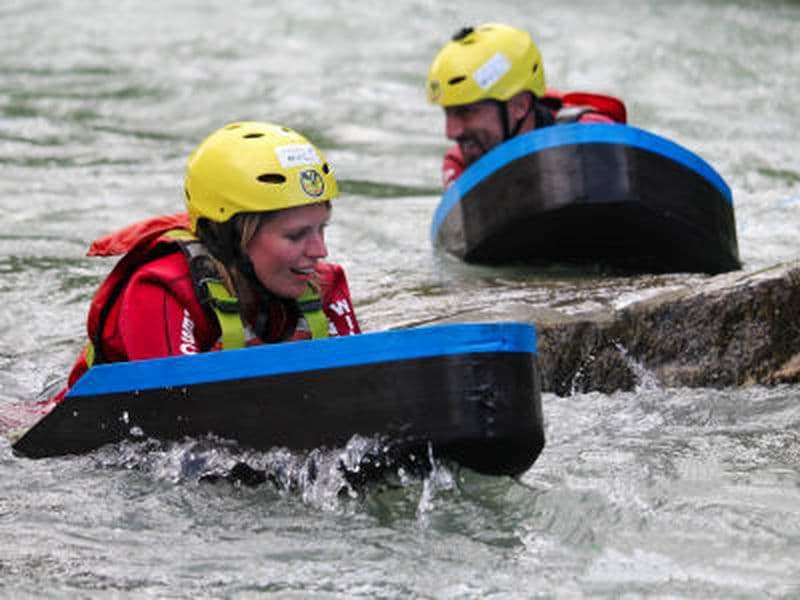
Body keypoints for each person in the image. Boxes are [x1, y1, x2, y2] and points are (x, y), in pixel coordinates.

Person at [44, 121, 361, 408]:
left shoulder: (324, 284)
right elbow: (175, 415)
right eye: (295, 236)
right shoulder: (160, 291)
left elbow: (359, 388)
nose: (320, 251)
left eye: (322, 228)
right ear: (232, 238)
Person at [426, 23, 627, 188]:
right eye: (448, 113)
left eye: (465, 111)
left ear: (519, 105)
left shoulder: (589, 137)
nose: (451, 132)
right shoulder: (460, 163)